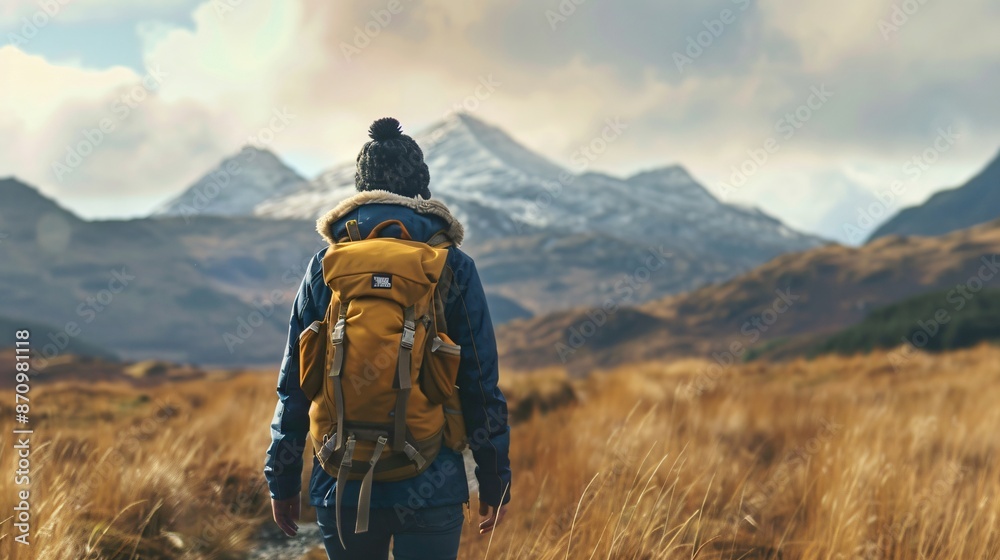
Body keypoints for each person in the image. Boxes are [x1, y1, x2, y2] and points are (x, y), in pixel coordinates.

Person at [263, 117, 511, 560]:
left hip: (339, 477)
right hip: (431, 477)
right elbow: (479, 380)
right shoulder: (451, 264)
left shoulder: (326, 264)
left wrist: (280, 480)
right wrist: (495, 480)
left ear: (361, 189)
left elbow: (295, 384)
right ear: (422, 188)